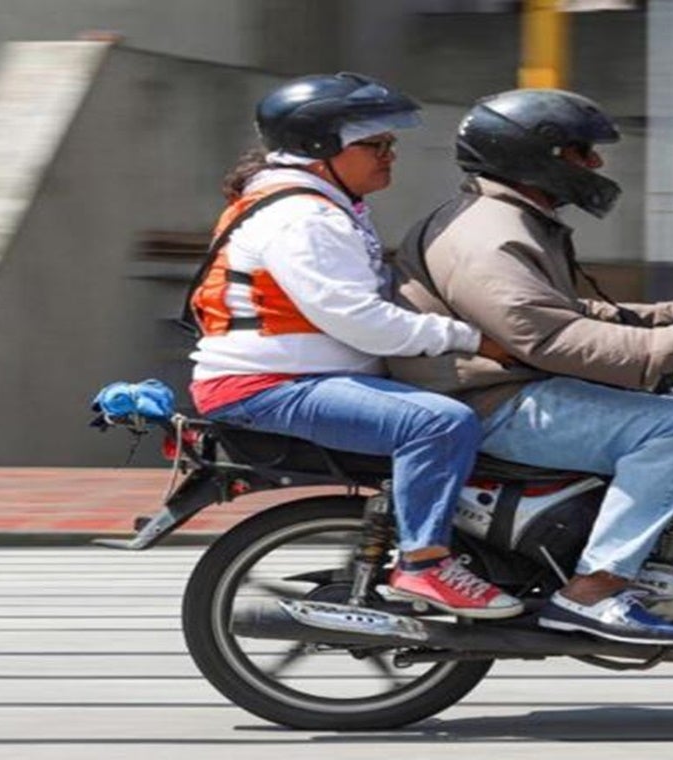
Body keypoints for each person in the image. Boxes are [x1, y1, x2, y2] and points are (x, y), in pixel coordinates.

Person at [387, 88, 673, 645]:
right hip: (488, 400)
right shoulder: (491, 235)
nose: (595, 165)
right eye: (581, 152)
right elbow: (550, 337)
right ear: (536, 154)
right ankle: (593, 592)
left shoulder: (513, 220)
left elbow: (568, 312)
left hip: (503, 386)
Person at [186, 72, 523, 617]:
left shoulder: (323, 205)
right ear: (322, 148)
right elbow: (360, 321)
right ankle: (426, 564)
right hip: (270, 386)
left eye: (391, 144)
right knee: (437, 422)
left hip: (302, 377)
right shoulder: (304, 217)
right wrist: (470, 339)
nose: (391, 155)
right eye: (376, 145)